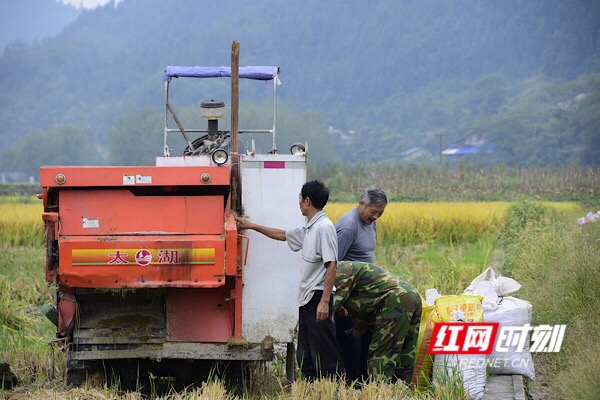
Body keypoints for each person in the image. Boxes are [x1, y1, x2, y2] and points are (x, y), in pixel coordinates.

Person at [235, 180, 344, 380]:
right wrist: (250, 225)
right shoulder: (310, 228)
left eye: (300, 200)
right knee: (307, 353)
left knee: (325, 354)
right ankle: (312, 389)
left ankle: (333, 389)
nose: (298, 203)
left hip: (317, 298)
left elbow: (332, 265)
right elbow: (282, 235)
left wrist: (324, 302)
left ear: (307, 201)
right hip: (307, 299)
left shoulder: (324, 228)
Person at [333, 261, 421, 384]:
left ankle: (379, 390)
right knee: (405, 352)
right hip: (411, 295)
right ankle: (401, 390)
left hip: (395, 299)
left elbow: (327, 309)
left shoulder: (339, 271)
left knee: (382, 354)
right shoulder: (348, 267)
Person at [335, 186, 387, 383]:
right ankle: (350, 383)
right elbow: (333, 264)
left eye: (380, 213)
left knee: (365, 340)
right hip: (349, 298)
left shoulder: (370, 222)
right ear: (361, 204)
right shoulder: (349, 227)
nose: (376, 217)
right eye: (374, 212)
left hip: (365, 296)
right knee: (350, 343)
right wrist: (338, 301)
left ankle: (363, 382)